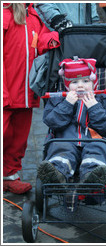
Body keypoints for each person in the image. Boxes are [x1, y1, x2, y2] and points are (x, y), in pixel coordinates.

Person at [3, 3, 60, 194]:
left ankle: (9, 175)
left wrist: (55, 38)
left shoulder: (34, 16)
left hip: (25, 93)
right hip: (7, 92)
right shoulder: (5, 15)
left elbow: (41, 40)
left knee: (19, 139)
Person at [37, 57, 106, 185]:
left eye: (86, 81)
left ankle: (92, 175)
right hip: (66, 139)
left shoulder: (103, 99)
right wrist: (67, 104)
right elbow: (51, 121)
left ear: (93, 84)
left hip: (94, 139)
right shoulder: (59, 100)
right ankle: (56, 173)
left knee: (99, 148)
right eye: (74, 82)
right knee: (60, 148)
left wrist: (94, 107)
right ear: (67, 86)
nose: (80, 85)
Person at [35, 3, 99, 32]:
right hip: (55, 33)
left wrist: (94, 21)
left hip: (80, 35)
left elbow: (90, 6)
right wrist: (55, 19)